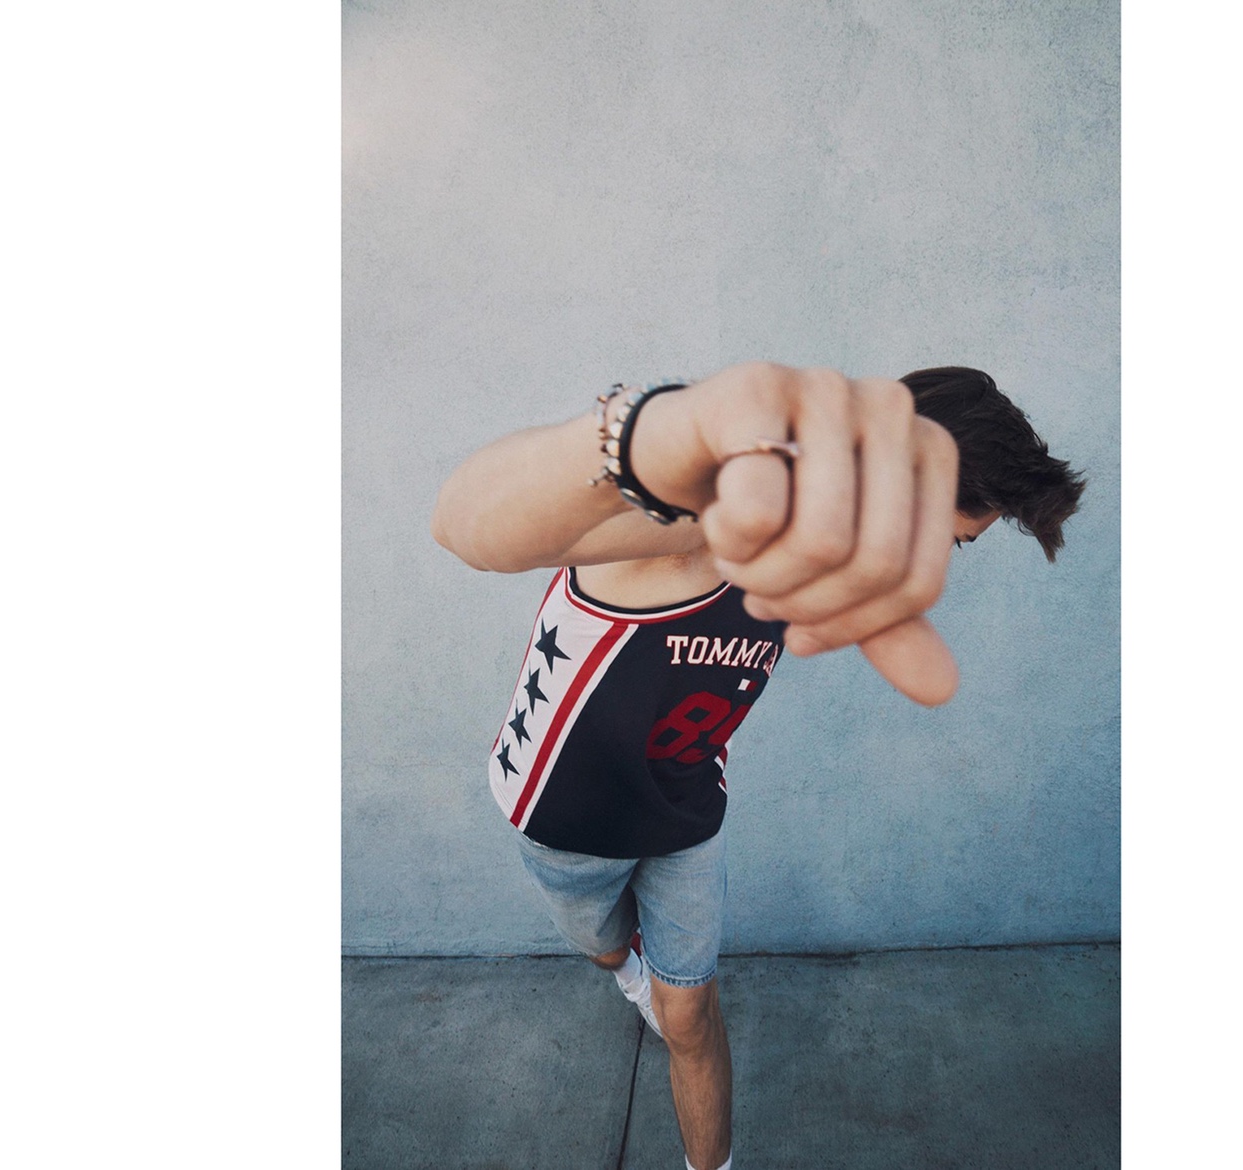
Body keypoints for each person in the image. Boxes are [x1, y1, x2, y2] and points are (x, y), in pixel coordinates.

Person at [430, 361, 1083, 1170]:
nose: (935, 562)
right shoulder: (704, 524)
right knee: (605, 948)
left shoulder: (816, 559)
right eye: (945, 536)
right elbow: (468, 528)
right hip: (564, 822)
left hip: (685, 815)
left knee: (692, 1018)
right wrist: (635, 435)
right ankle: (625, 968)